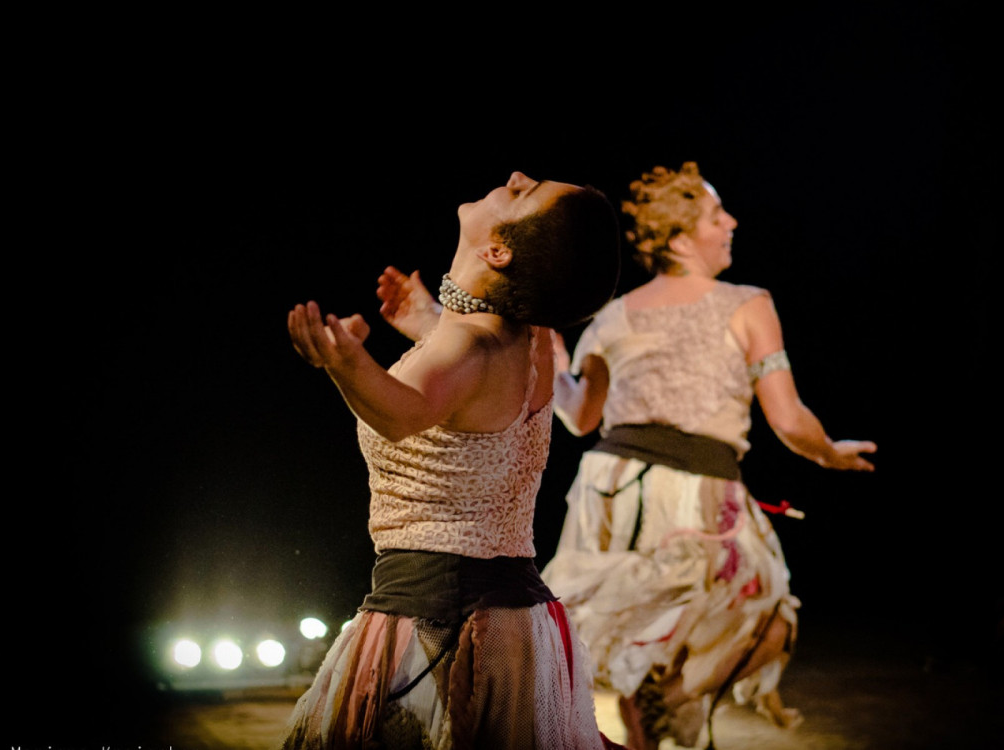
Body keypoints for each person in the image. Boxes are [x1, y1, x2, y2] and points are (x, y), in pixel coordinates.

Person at [539, 162, 878, 749]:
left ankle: (660, 711)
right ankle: (663, 712)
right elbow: (790, 419)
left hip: (619, 487)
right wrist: (829, 454)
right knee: (759, 612)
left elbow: (579, 416)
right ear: (679, 237)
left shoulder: (616, 314)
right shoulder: (747, 304)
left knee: (649, 634)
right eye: (717, 215)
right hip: (683, 492)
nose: (731, 222)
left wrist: (557, 369)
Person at [280, 171, 624, 749]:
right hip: (509, 616)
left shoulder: (471, 344)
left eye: (524, 193)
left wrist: (342, 360)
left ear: (497, 250)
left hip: (440, 619)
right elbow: (470, 389)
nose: (515, 177)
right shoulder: (527, 338)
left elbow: (402, 412)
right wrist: (428, 322)